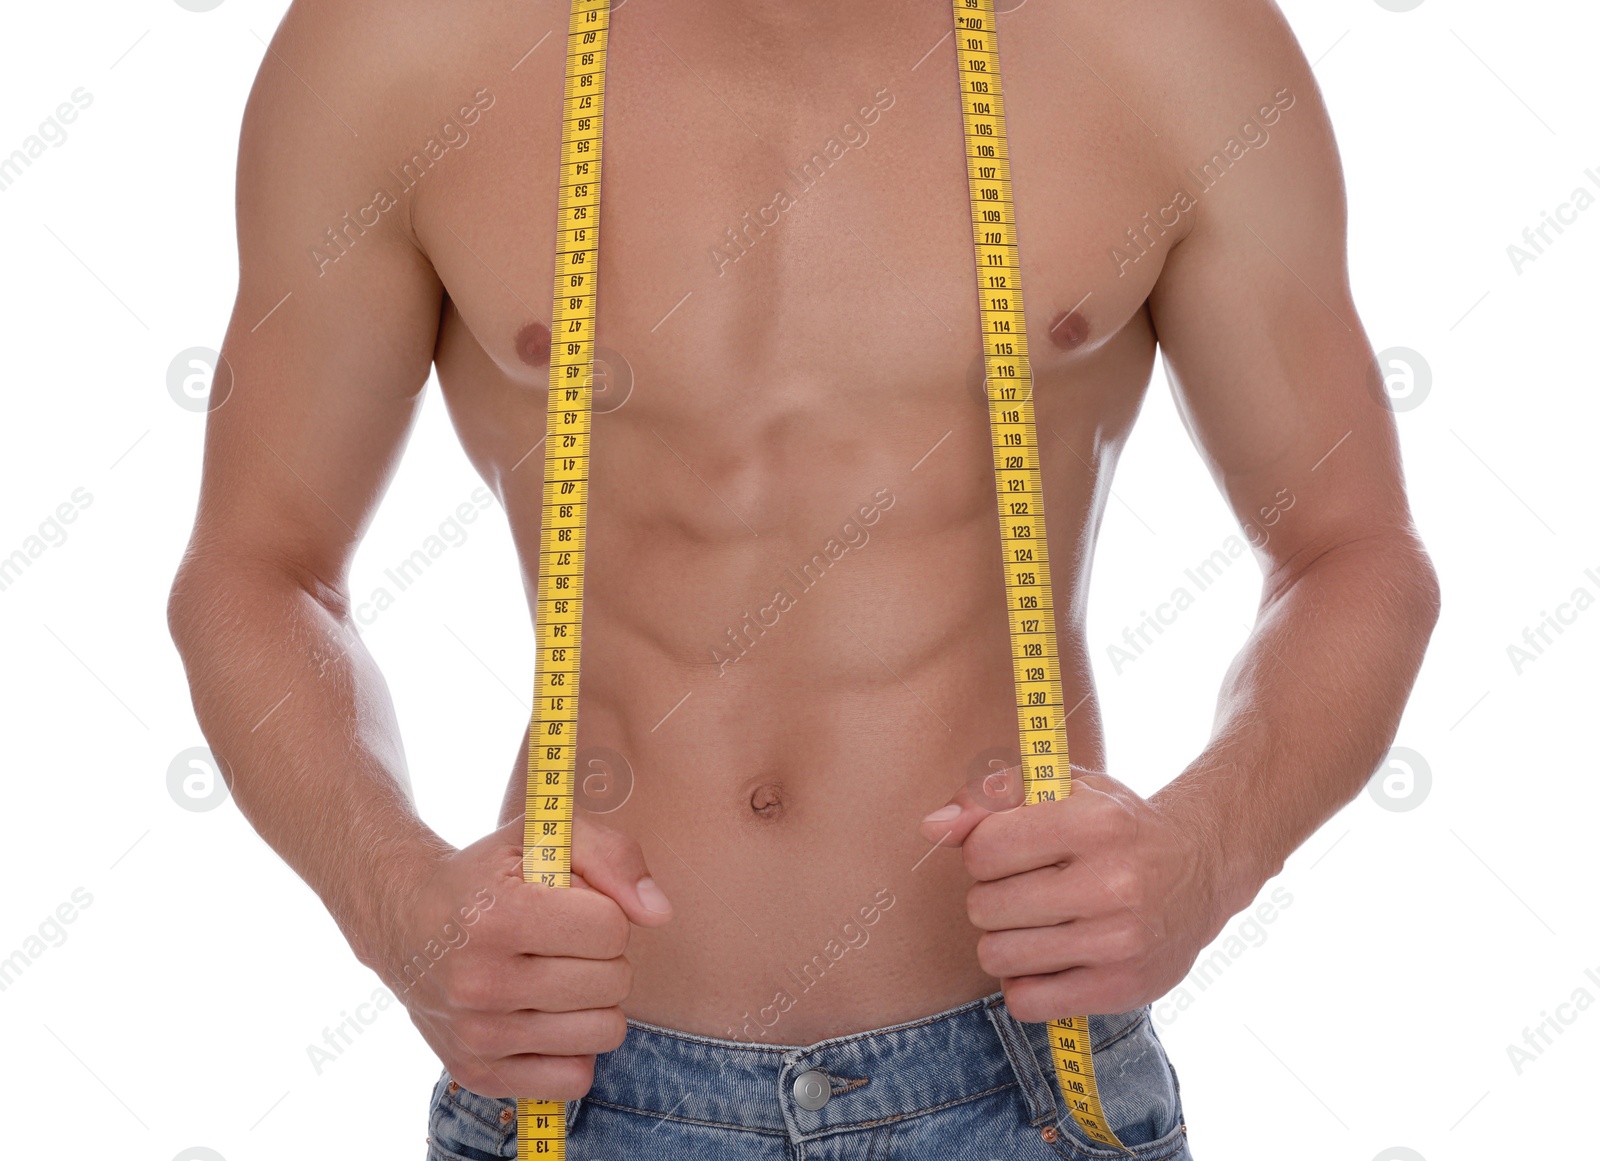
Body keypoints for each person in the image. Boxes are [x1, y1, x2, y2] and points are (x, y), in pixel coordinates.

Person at [167, 1, 1440, 1157]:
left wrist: (1207, 857)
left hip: (1025, 1088)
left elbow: (1351, 551)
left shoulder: (1160, 36)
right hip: (574, 1088)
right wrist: (402, 909)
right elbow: (256, 568)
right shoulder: (406, 38)